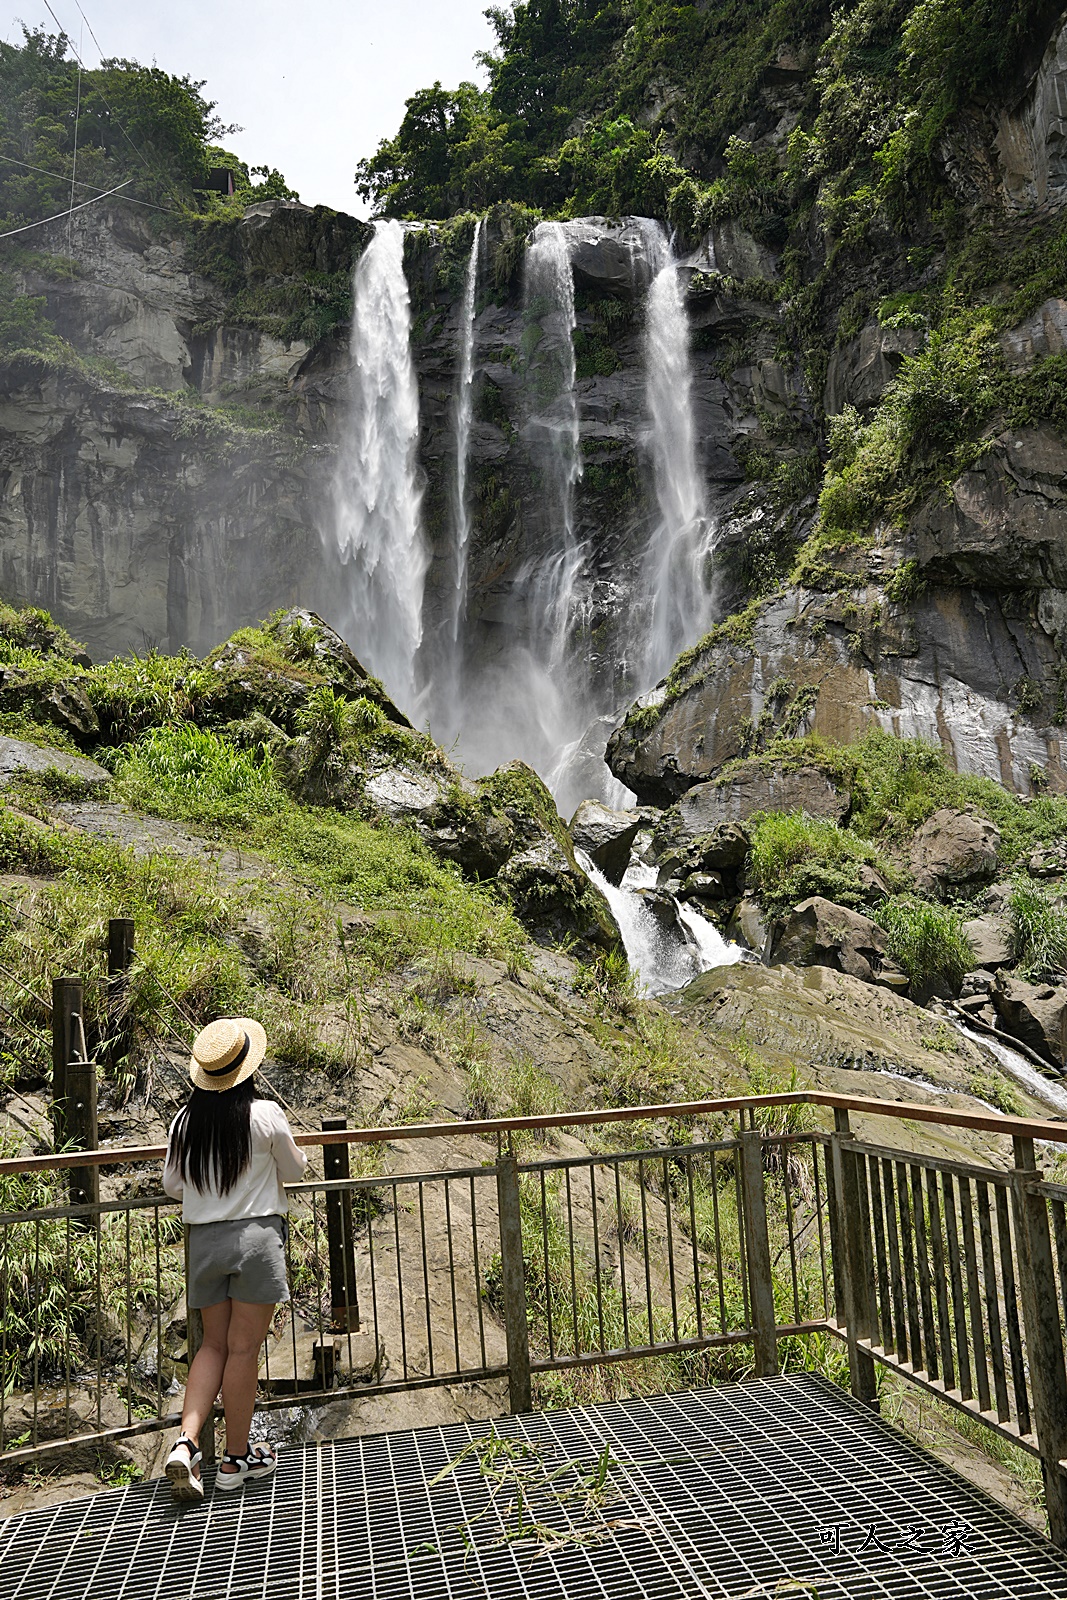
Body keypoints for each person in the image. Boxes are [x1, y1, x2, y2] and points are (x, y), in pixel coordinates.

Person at [161, 1017, 307, 1501]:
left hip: (204, 1244)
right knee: (244, 1351)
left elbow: (172, 1186)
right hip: (256, 1239)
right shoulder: (265, 1115)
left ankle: (186, 1441)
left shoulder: (185, 1120)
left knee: (212, 1347)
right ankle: (235, 1459)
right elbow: (296, 1171)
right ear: (245, 1068)